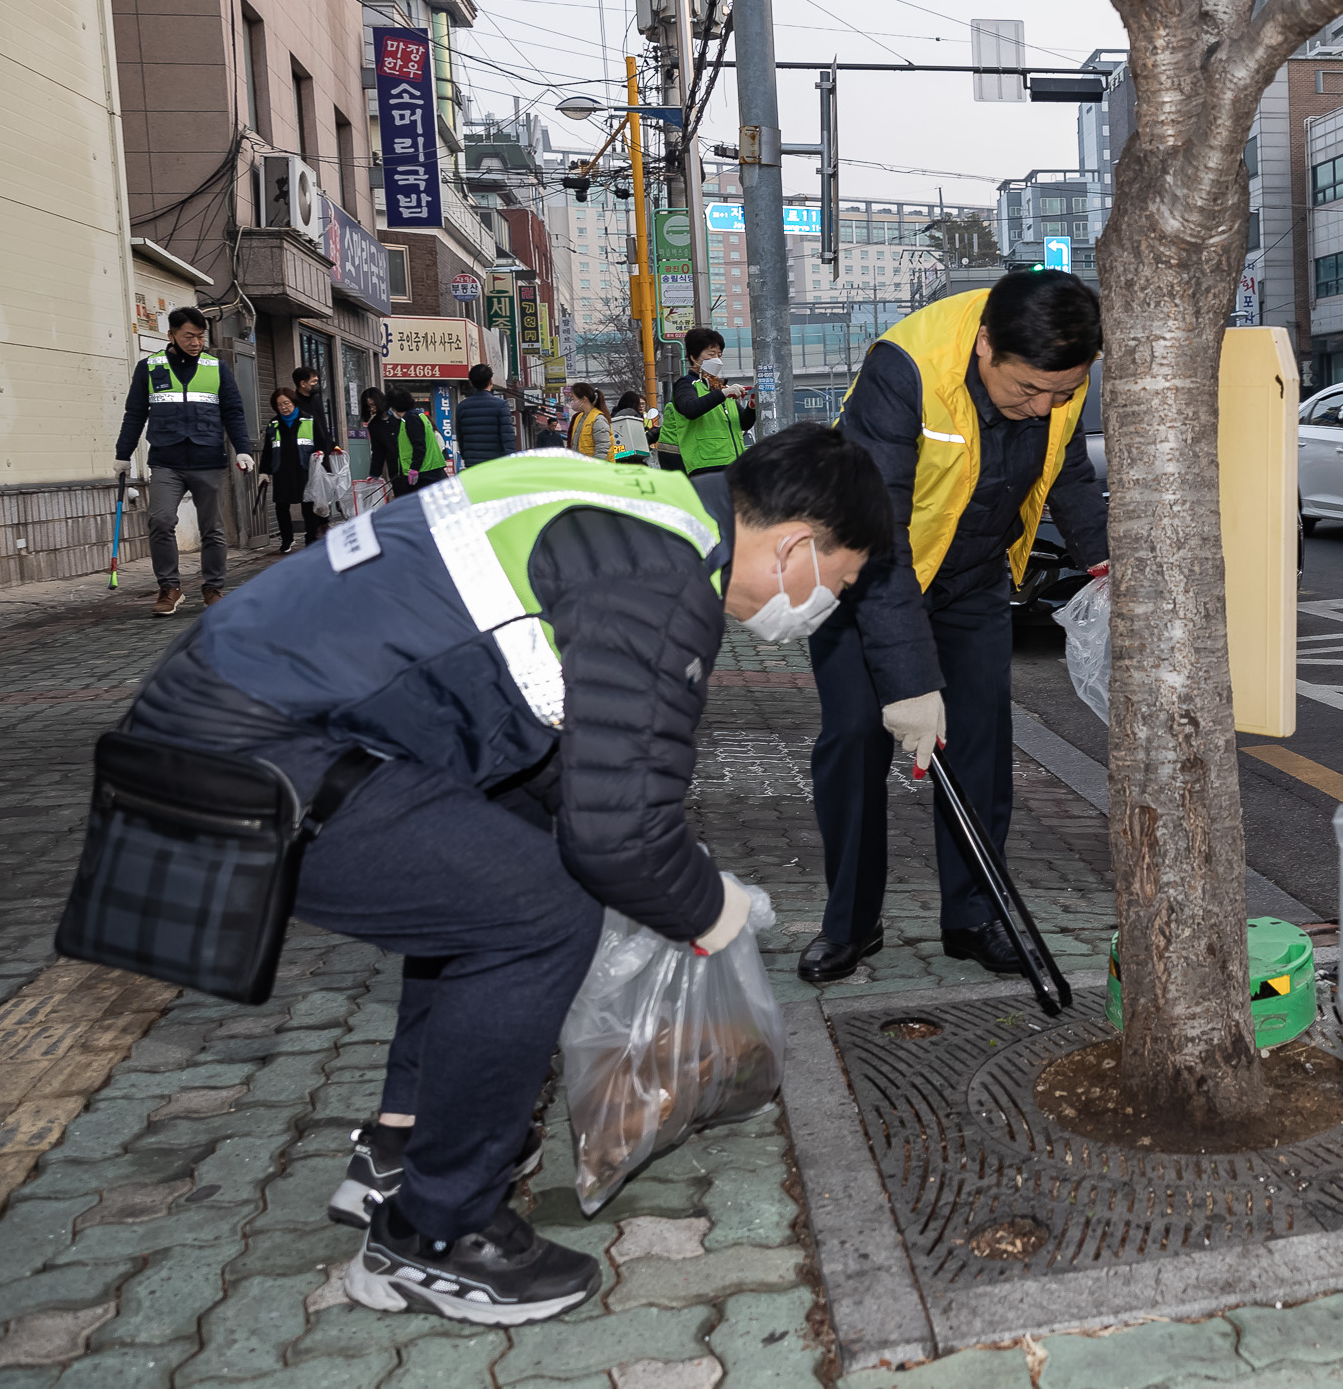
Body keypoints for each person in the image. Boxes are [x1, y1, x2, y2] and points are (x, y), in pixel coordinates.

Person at [114, 425, 891, 1323]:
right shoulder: (662, 574)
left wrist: (663, 857)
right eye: (839, 583)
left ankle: (402, 1148)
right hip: (242, 753)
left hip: (227, 705)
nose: (826, 605)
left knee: (495, 854)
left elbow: (569, 757)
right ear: (797, 546)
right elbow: (616, 840)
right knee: (543, 913)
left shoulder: (624, 500)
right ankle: (431, 1234)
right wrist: (709, 909)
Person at [800, 269, 1108, 983]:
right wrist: (908, 683)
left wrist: (1103, 560)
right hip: (861, 574)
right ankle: (850, 923)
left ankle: (972, 915)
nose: (1043, 406)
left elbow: (1064, 470)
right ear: (984, 347)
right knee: (853, 740)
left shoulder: (1060, 369)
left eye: (1060, 393)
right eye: (1028, 389)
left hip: (971, 578)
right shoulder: (903, 368)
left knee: (979, 749)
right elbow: (877, 538)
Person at [114, 305, 255, 616]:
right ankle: (169, 587)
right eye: (188, 336)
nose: (195, 342)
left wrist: (241, 448)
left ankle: (213, 588)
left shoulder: (215, 367)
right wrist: (123, 455)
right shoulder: (149, 368)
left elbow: (233, 412)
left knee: (212, 528)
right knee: (160, 520)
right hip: (167, 459)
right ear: (171, 335)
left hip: (208, 459)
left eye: (200, 336)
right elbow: (135, 414)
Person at [659, 328, 755, 476]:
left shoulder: (721, 388)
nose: (717, 359)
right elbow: (690, 409)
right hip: (706, 466)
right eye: (711, 354)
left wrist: (751, 407)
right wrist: (723, 394)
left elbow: (743, 423)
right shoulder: (687, 384)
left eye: (719, 355)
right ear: (694, 357)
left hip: (732, 464)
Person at [257, 389, 326, 552]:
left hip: (304, 469)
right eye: (279, 404)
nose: (283, 407)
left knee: (308, 505)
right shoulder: (274, 424)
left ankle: (311, 538)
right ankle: (287, 540)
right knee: (281, 506)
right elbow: (268, 450)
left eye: (286, 403)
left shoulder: (309, 420)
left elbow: (322, 442)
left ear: (293, 402)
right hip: (282, 470)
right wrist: (264, 472)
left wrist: (322, 454)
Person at [453, 364, 518, 470]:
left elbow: (461, 437)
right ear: (491, 381)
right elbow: (507, 437)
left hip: (472, 463)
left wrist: (466, 457)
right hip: (496, 464)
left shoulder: (462, 407)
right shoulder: (501, 405)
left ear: (471, 383)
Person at [385, 390, 448, 496]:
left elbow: (419, 445)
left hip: (424, 472)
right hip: (429, 469)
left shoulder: (411, 419)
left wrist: (414, 468)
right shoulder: (419, 416)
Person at [565, 383, 615, 462]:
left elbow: (602, 448)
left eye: (573, 398)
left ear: (584, 399)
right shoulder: (579, 418)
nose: (572, 402)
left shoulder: (598, 419)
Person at [609, 391, 652, 465]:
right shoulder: (631, 417)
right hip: (632, 459)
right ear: (634, 404)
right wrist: (653, 434)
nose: (640, 406)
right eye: (639, 404)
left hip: (617, 457)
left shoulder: (613, 417)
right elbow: (639, 441)